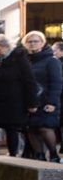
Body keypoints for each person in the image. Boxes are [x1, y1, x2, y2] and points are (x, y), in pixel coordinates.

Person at [0, 34, 37, 157]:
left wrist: (31, 103)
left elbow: (29, 82)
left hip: (13, 103)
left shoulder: (20, 59)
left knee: (12, 131)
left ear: (7, 47)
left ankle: (13, 157)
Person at [22, 31, 62, 161]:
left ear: (42, 43)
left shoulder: (51, 60)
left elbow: (56, 82)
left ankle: (53, 154)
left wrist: (52, 102)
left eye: (35, 41)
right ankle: (39, 155)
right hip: (29, 100)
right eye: (29, 41)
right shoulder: (24, 60)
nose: (32, 44)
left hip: (46, 100)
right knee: (31, 129)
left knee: (45, 128)